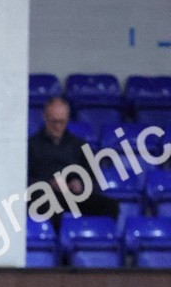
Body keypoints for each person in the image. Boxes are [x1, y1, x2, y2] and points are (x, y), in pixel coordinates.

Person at [28, 96, 119, 227]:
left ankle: (98, 241)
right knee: (46, 201)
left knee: (110, 206)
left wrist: (81, 184)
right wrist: (49, 184)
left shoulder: (79, 144)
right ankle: (58, 243)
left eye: (62, 122)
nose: (58, 126)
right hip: (45, 195)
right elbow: (24, 180)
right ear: (45, 118)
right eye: (54, 122)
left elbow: (94, 177)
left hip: (74, 196)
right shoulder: (31, 145)